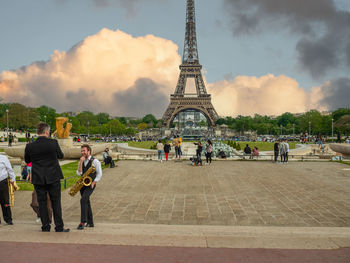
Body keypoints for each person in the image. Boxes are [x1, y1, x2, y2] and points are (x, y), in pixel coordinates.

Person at [24, 122, 69, 232]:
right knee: (56, 202)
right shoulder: (53, 143)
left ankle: (45, 226)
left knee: (42, 202)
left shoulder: (30, 146)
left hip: (38, 177)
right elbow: (61, 156)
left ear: (37, 132)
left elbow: (27, 160)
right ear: (47, 132)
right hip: (53, 176)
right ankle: (59, 226)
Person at [76, 144, 102, 230]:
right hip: (82, 185)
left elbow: (99, 173)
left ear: (89, 151)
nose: (82, 152)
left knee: (83, 200)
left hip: (90, 184)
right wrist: (80, 162)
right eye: (81, 151)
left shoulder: (95, 161)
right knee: (86, 201)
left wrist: (94, 182)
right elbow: (79, 173)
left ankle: (83, 221)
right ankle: (90, 222)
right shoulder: (81, 160)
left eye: (84, 151)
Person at [0, 154, 16, 225]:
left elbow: (9, 168)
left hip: (2, 181)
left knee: (5, 201)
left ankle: (8, 219)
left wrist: (12, 179)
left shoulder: (3, 158)